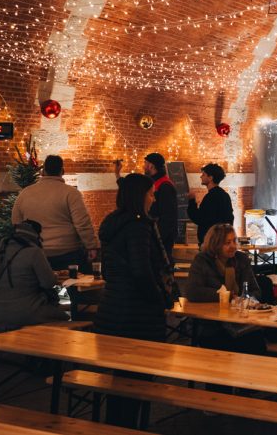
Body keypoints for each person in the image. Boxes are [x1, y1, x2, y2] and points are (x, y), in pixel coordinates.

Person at [95, 173, 174, 428]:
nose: (153, 198)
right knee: (136, 381)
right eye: (151, 193)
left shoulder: (112, 224)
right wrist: (159, 299)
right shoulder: (138, 226)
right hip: (136, 313)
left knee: (120, 381)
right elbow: (142, 271)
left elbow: (108, 271)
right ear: (141, 195)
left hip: (112, 308)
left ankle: (116, 426)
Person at [185, 223, 265, 355]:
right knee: (225, 341)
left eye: (234, 241)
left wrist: (244, 299)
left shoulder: (241, 259)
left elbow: (256, 291)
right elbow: (192, 292)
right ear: (215, 244)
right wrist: (225, 296)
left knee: (256, 340)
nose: (233, 246)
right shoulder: (202, 260)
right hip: (212, 323)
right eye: (227, 242)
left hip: (240, 320)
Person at [11, 155, 99, 273]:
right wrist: (91, 246)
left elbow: (16, 222)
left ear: (43, 171)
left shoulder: (25, 193)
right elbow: (82, 223)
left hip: (35, 253)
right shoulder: (71, 193)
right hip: (67, 252)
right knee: (71, 286)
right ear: (62, 171)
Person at [0, 220, 68, 330]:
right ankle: (39, 346)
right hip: (27, 313)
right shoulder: (34, 251)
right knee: (64, 316)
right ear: (36, 235)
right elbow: (48, 283)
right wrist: (54, 275)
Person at [114, 153, 178, 258]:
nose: (143, 166)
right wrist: (117, 174)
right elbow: (131, 190)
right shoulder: (151, 182)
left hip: (160, 240)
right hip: (151, 236)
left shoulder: (165, 186)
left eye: (145, 163)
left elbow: (168, 218)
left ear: (151, 166)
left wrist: (157, 239)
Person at [186, 163, 234, 245]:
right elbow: (229, 219)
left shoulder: (211, 197)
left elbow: (199, 218)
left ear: (210, 177)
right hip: (221, 241)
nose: (201, 177)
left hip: (211, 243)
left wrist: (191, 201)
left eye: (203, 175)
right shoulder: (225, 195)